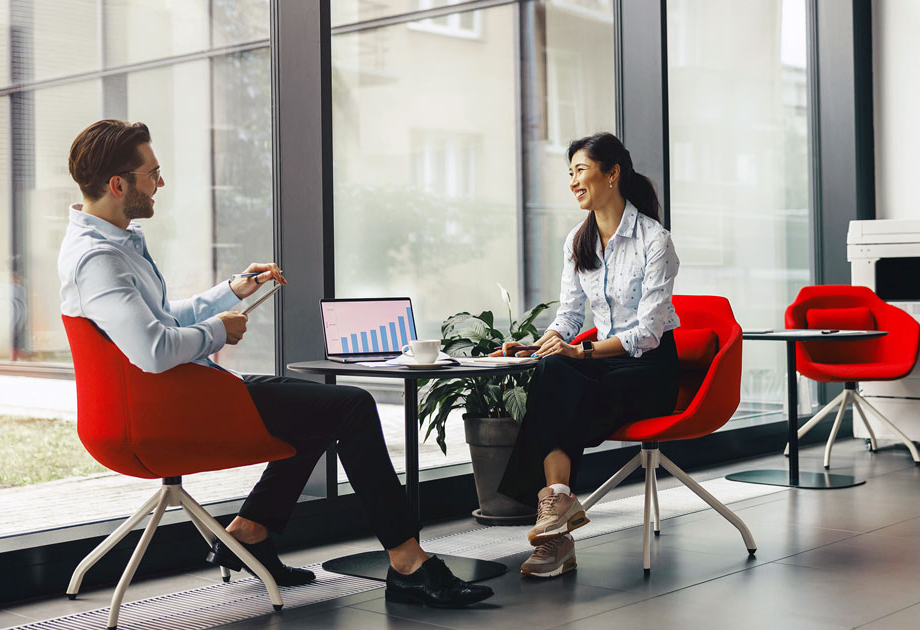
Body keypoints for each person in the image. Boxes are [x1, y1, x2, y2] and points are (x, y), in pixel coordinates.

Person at [58, 119, 493, 608]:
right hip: (163, 416)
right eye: (152, 173)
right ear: (119, 185)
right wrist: (221, 330)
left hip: (188, 395)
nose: (161, 183)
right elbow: (153, 350)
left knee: (318, 407)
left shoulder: (116, 244)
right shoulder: (98, 259)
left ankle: (250, 530)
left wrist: (232, 291)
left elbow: (158, 319)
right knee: (350, 406)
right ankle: (408, 562)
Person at [495, 132, 680, 579]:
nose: (573, 182)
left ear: (612, 173)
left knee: (562, 393)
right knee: (553, 368)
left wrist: (581, 351)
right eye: (570, 173)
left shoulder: (655, 240)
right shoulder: (577, 242)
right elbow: (570, 315)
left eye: (580, 170)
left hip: (650, 369)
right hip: (602, 362)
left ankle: (556, 529)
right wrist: (540, 343)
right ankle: (558, 502)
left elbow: (650, 333)